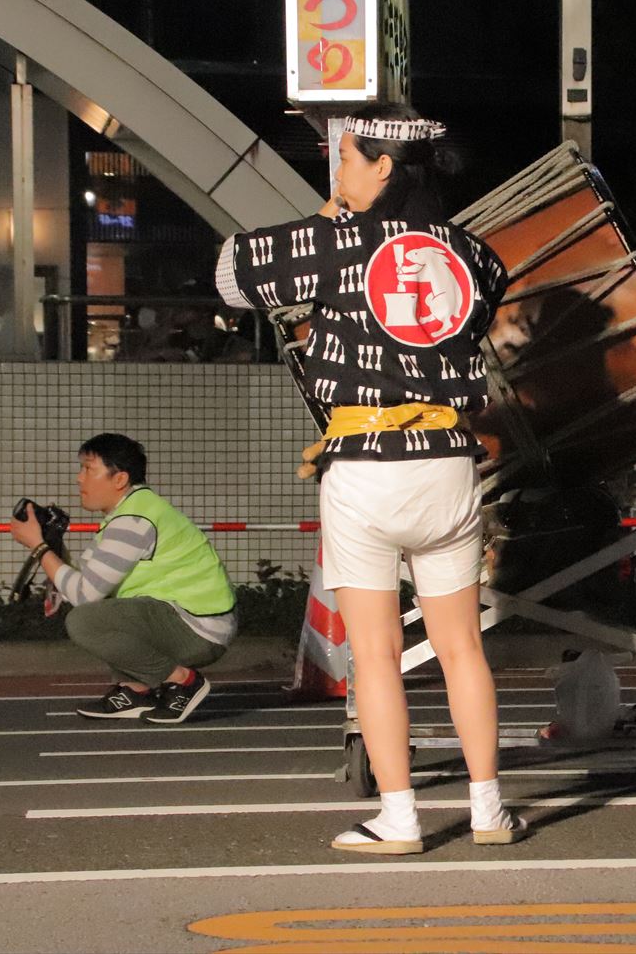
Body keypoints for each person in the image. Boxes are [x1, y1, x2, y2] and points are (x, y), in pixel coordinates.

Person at [216, 102, 520, 855]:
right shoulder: (473, 254)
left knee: (377, 654)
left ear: (383, 166)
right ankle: (489, 809)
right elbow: (482, 299)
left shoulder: (334, 241)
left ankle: (400, 817)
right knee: (462, 648)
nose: (337, 172)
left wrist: (328, 218)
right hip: (448, 462)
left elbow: (231, 276)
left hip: (366, 464)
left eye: (346, 158)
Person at [7, 433, 236, 724]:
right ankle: (136, 691)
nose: (79, 478)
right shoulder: (131, 512)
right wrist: (52, 545)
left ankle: (184, 682)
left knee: (85, 621)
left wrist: (39, 547)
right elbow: (83, 582)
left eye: (88, 469)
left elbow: (83, 595)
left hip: (200, 629)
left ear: (119, 479)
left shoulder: (133, 521)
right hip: (192, 620)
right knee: (105, 612)